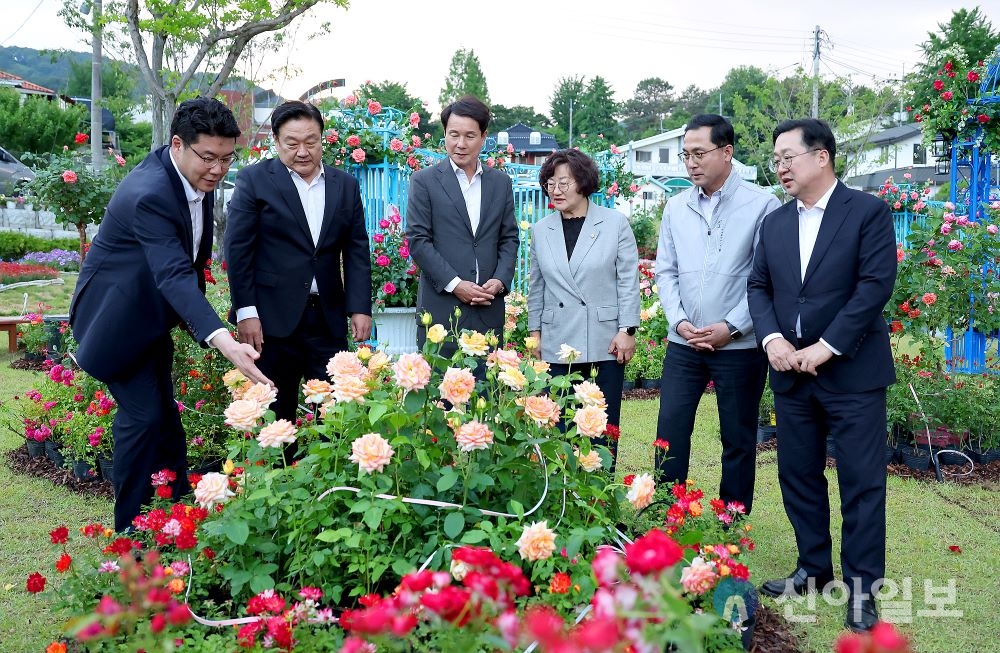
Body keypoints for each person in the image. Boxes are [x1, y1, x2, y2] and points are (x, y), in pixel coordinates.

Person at [69, 97, 272, 532]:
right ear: (177, 144)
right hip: (116, 322)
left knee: (165, 423)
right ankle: (133, 539)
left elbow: (189, 268)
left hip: (151, 319)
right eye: (208, 158)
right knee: (143, 421)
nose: (218, 169)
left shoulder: (190, 178)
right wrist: (222, 338)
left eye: (226, 159)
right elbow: (173, 273)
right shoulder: (149, 193)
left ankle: (176, 524)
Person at [747, 118, 897, 633]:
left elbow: (875, 285)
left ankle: (862, 590)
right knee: (798, 476)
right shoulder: (774, 223)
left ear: (822, 157)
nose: (781, 167)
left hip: (852, 373)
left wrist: (827, 347)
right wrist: (773, 340)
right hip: (791, 374)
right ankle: (813, 567)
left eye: (788, 156)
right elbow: (759, 287)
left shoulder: (868, 212)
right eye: (777, 160)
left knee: (860, 483)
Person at [654, 114, 780, 514]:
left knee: (738, 437)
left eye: (699, 153)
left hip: (739, 346)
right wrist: (679, 321)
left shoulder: (763, 204)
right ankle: (665, 509)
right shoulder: (675, 207)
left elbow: (768, 276)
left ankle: (732, 516)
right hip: (684, 342)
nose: (691, 163)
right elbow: (666, 271)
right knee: (670, 431)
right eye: (685, 155)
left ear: (727, 153)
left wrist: (732, 326)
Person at [224, 100, 372, 423]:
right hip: (271, 322)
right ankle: (279, 471)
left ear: (322, 139)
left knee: (334, 413)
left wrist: (360, 307)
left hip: (327, 319)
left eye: (311, 142)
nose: (302, 151)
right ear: (276, 142)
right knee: (276, 413)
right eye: (292, 143)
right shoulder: (254, 181)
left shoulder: (344, 185)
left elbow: (357, 249)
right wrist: (246, 312)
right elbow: (238, 250)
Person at [527, 148, 640, 446]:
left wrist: (627, 329)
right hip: (556, 342)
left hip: (604, 341)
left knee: (600, 431)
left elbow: (628, 280)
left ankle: (600, 492)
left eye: (564, 182)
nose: (556, 190)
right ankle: (562, 493)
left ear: (583, 182)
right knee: (559, 429)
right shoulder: (541, 230)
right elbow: (536, 286)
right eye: (551, 183)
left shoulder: (614, 224)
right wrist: (534, 333)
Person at [406, 95, 519, 354]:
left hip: (487, 309)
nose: (460, 144)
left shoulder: (500, 183)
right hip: (440, 313)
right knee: (440, 391)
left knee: (487, 390)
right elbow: (418, 241)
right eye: (453, 134)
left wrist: (500, 280)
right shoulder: (424, 181)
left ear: (483, 136)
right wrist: (455, 284)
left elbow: (509, 238)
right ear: (444, 133)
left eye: (469, 136)